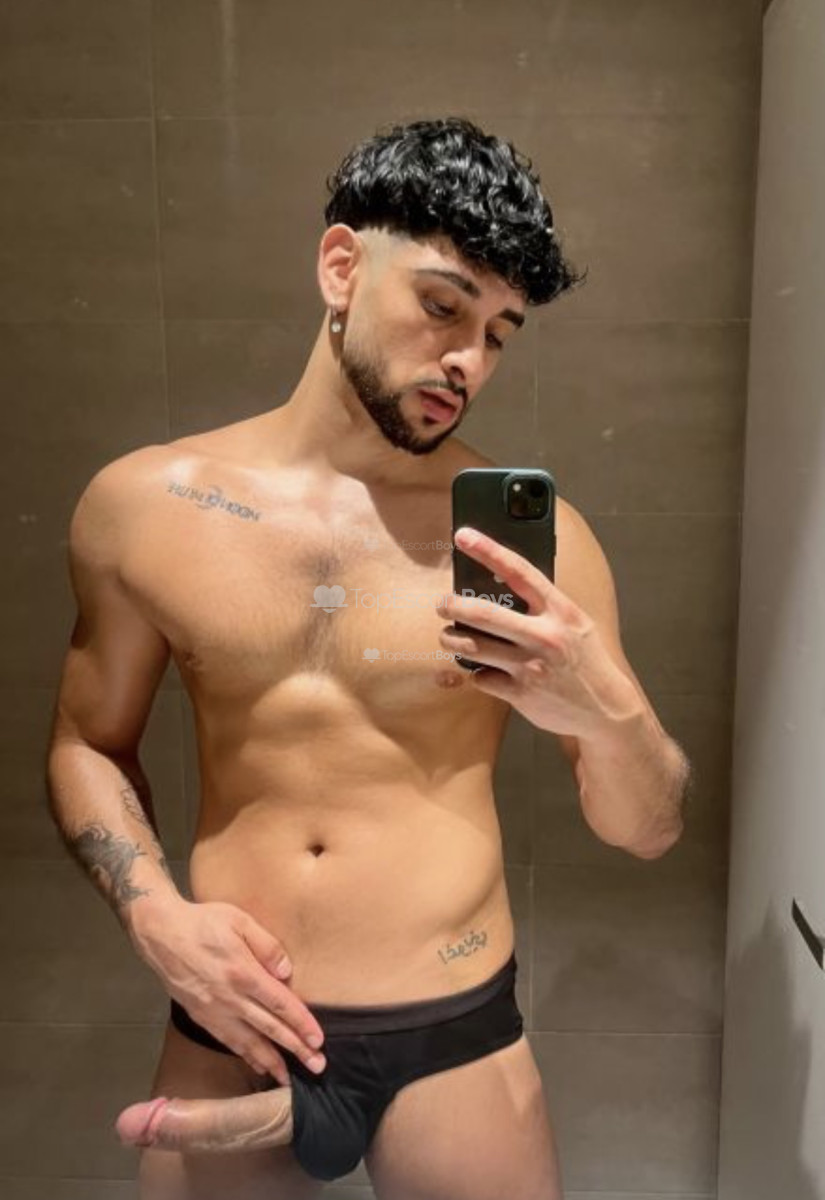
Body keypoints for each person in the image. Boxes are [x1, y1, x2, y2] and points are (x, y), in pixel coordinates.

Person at [45, 116, 690, 1200]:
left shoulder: (543, 547)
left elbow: (649, 828)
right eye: (442, 307)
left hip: (452, 1037)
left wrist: (603, 710)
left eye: (498, 334)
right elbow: (86, 744)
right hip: (236, 1018)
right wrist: (153, 915)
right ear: (341, 266)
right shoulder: (146, 507)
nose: (467, 360)